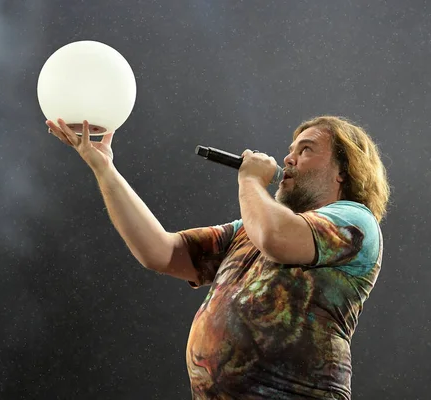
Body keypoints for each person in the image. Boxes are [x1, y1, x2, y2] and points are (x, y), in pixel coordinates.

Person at [47, 115, 390, 399]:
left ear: (344, 170)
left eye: (306, 150)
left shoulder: (355, 220)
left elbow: (276, 237)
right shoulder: (249, 230)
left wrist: (251, 181)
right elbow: (160, 251)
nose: (288, 159)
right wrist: (104, 168)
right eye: (291, 150)